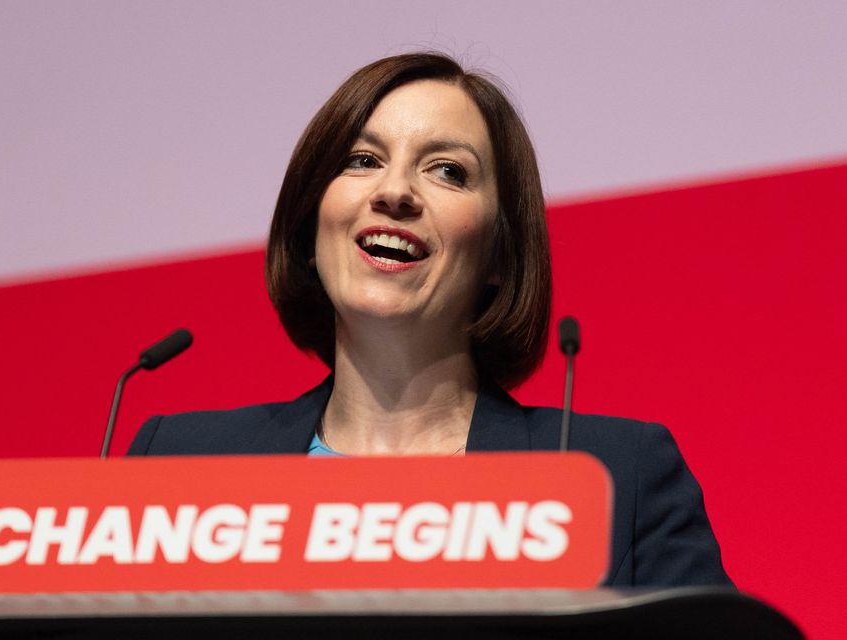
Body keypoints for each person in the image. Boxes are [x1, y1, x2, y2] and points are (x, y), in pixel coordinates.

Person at [129, 53, 731, 587]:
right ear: (312, 226)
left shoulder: (613, 476)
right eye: (361, 159)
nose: (395, 192)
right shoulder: (179, 466)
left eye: (448, 170)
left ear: (500, 252)